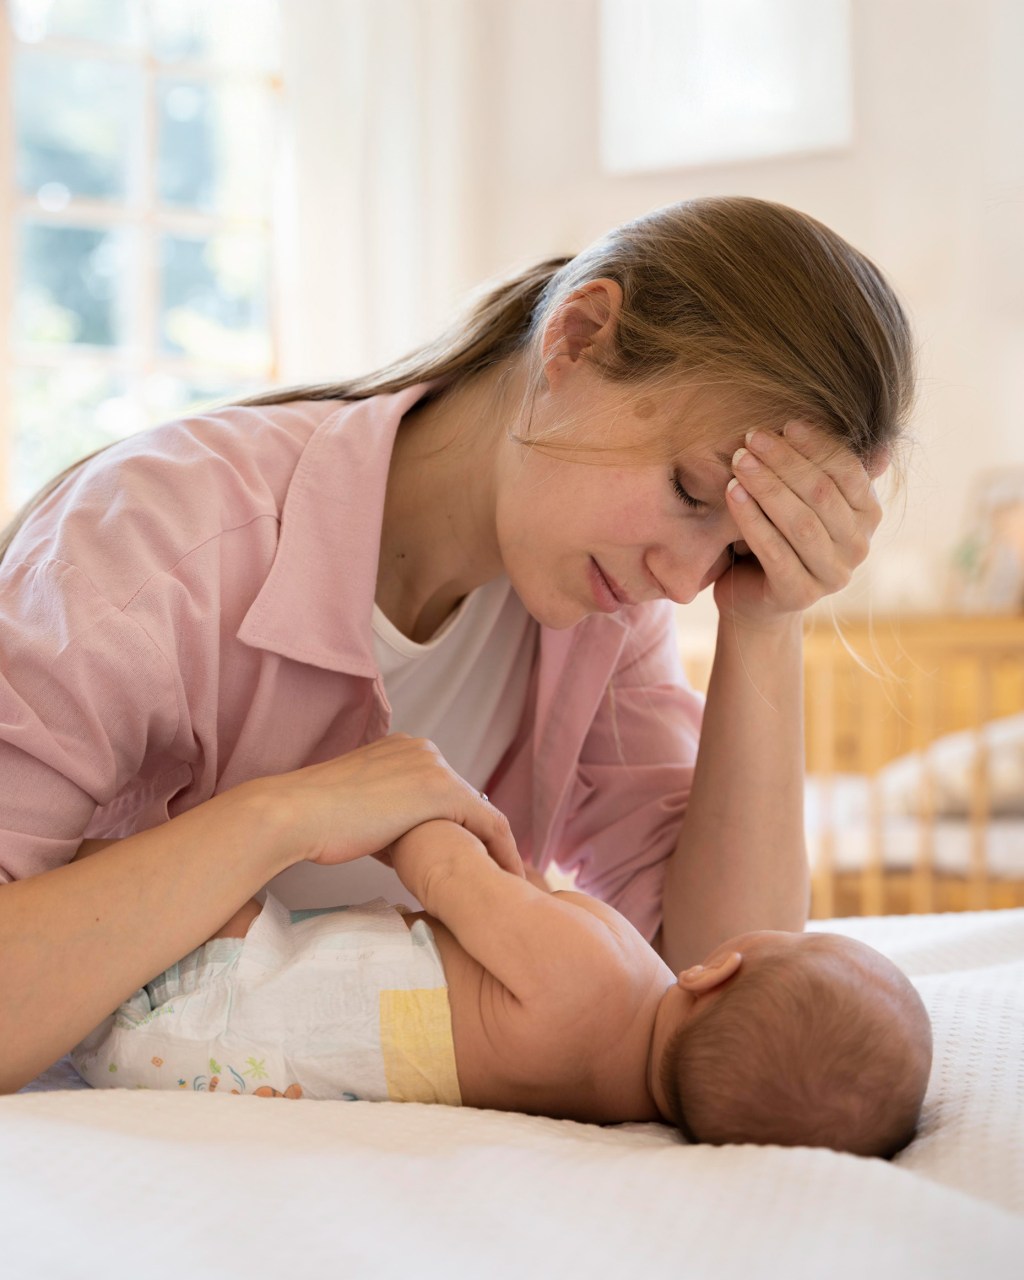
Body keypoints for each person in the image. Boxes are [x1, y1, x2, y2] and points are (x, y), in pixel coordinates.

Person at [0, 196, 916, 1095]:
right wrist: (285, 817)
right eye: (689, 489)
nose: (685, 582)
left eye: (737, 547)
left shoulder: (601, 606)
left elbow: (717, 997)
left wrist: (764, 619)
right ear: (578, 335)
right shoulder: (151, 543)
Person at [71, 820, 933, 1157]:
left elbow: (448, 874)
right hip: (197, 1065)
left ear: (714, 973)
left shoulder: (605, 969)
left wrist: (416, 801)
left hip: (221, 982)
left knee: (166, 847)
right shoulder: (606, 1105)